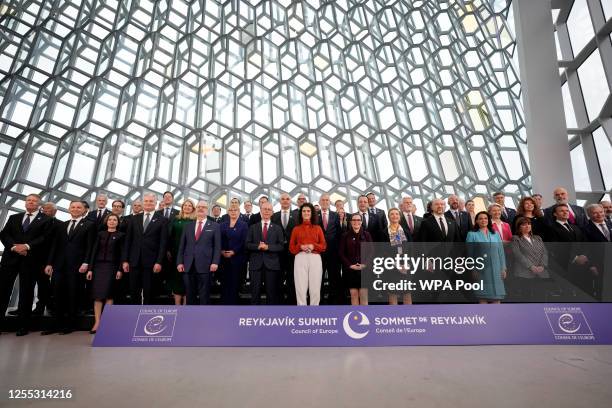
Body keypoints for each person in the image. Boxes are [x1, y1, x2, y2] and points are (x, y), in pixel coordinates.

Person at [0, 194, 51, 336]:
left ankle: (23, 325)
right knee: (3, 290)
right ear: (25, 202)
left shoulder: (46, 220)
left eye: (34, 201)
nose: (31, 202)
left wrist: (27, 246)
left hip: (31, 260)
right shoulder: (14, 217)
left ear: (39, 204)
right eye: (29, 200)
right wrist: (14, 247)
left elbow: (44, 238)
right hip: (10, 259)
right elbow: (4, 235)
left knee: (26, 292)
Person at [42, 201, 96, 335]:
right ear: (68, 209)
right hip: (59, 265)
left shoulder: (90, 225)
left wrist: (86, 263)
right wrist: (49, 263)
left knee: (73, 294)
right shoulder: (62, 225)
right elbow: (55, 245)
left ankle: (70, 325)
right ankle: (56, 324)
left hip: (78, 266)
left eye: (79, 207)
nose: (75, 209)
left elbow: (91, 246)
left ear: (84, 210)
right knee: (57, 294)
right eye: (73, 207)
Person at [122, 193, 169, 305]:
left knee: (149, 290)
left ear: (155, 203)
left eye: (151, 201)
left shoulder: (163, 220)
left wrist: (159, 262)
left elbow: (163, 243)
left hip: (152, 262)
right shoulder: (134, 218)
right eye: (146, 201)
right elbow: (128, 241)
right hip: (134, 260)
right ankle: (135, 314)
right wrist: (125, 260)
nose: (148, 203)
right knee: (134, 290)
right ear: (143, 203)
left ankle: (146, 315)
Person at [544, 203, 595, 299]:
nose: (565, 212)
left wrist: (584, 255)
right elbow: (555, 248)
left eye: (566, 211)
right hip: (566, 266)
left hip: (584, 265)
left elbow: (586, 243)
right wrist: (575, 258)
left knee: (587, 292)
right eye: (561, 211)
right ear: (555, 214)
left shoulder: (576, 227)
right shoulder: (550, 229)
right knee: (572, 295)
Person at [86, 214, 125, 334]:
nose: (112, 221)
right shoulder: (100, 234)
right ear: (106, 221)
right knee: (97, 295)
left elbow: (122, 254)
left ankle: (106, 322)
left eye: (115, 220)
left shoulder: (121, 235)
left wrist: (120, 269)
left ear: (118, 222)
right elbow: (93, 252)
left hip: (112, 267)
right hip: (98, 267)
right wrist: (90, 269)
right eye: (110, 220)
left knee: (109, 295)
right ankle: (97, 322)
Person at [176, 201, 221, 305]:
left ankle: (203, 318)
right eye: (199, 207)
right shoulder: (188, 226)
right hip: (188, 265)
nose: (201, 209)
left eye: (204, 207)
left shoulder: (215, 226)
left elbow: (217, 247)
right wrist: (179, 262)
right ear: (195, 209)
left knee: (204, 294)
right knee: (189, 294)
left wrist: (215, 262)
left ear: (207, 210)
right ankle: (191, 318)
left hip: (206, 265)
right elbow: (182, 246)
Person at [246, 202, 284, 304]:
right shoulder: (253, 227)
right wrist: (258, 246)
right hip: (256, 264)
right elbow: (247, 244)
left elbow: (281, 246)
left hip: (272, 265)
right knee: (255, 293)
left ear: (272, 212)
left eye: (269, 209)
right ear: (260, 211)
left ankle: (270, 315)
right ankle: (255, 316)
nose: (266, 211)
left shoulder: (277, 228)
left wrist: (268, 247)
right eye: (264, 209)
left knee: (271, 293)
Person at [289, 203, 327, 305]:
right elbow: (291, 248)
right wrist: (300, 246)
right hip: (300, 258)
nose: (306, 213)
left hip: (315, 258)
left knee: (315, 287)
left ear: (312, 213)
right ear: (301, 213)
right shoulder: (296, 229)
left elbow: (323, 245)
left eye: (308, 211)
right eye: (304, 211)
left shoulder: (318, 228)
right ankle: (302, 311)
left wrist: (313, 246)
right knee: (300, 287)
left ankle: (314, 311)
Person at [466, 211, 507, 304]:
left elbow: (501, 252)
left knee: (497, 297)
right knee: (483, 296)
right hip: (481, 270)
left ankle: (497, 318)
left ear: (489, 220)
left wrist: (503, 268)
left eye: (485, 218)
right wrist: (473, 269)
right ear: (476, 221)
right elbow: (470, 254)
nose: (483, 220)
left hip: (497, 269)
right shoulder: (472, 234)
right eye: (480, 218)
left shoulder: (495, 234)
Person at [510, 217, 551, 302]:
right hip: (524, 273)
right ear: (519, 227)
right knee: (527, 299)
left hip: (541, 272)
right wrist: (531, 267)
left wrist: (542, 266)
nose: (527, 226)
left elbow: (544, 253)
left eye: (529, 224)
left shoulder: (538, 238)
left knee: (542, 297)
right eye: (524, 224)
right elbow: (518, 255)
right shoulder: (515, 238)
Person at [339, 213, 373, 305]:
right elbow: (341, 253)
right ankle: (357, 317)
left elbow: (371, 252)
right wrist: (350, 265)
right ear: (350, 222)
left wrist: (364, 265)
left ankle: (365, 317)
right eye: (354, 220)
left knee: (364, 295)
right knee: (354, 295)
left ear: (361, 222)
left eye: (358, 220)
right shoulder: (345, 236)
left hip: (364, 269)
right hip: (350, 270)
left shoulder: (367, 235)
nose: (356, 222)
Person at [167, 199, 196, 305]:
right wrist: (169, 250)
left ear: (193, 208)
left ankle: (186, 305)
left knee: (187, 279)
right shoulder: (175, 219)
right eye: (185, 205)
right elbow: (170, 236)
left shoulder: (195, 221)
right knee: (177, 279)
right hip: (176, 254)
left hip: (190, 254)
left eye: (190, 206)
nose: (187, 207)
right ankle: (177, 305)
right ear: (182, 207)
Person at [271, 192, 297, 304]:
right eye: (283, 199)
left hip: (293, 254)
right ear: (280, 201)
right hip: (278, 254)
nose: (285, 201)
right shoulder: (274, 216)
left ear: (290, 201)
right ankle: (279, 303)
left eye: (287, 199)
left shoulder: (297, 216)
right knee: (278, 279)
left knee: (292, 279)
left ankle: (292, 302)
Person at [220, 205, 248, 305]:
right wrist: (222, 251)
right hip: (223, 259)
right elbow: (219, 240)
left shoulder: (243, 225)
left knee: (235, 283)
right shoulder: (222, 225)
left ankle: (234, 305)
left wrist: (234, 252)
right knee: (224, 283)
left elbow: (244, 241)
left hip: (237, 258)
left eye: (235, 210)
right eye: (231, 210)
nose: (233, 211)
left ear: (239, 212)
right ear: (228, 212)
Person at [383, 208, 413, 305]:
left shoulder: (406, 232)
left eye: (397, 214)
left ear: (400, 217)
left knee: (407, 294)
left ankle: (409, 317)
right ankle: (394, 318)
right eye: (392, 214)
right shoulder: (383, 233)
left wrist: (406, 264)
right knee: (393, 294)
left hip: (406, 266)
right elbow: (382, 252)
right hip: (390, 266)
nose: (394, 216)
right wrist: (396, 264)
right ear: (388, 217)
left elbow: (412, 249)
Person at [317, 193, 343, 304]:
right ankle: (320, 300)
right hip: (318, 253)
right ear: (319, 202)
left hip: (333, 253)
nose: (325, 202)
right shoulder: (314, 215)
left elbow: (339, 233)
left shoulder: (335, 215)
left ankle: (335, 301)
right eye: (323, 200)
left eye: (327, 200)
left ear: (329, 202)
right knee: (319, 278)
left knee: (335, 278)